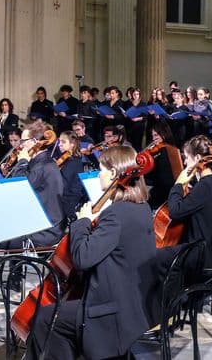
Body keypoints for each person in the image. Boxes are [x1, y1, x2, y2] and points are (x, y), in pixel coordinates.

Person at [26, 146, 158, 360]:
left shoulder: (115, 214)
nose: (98, 174)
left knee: (43, 317)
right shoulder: (142, 207)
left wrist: (82, 222)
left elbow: (82, 259)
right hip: (132, 305)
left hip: (108, 313)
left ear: (114, 174)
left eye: (101, 169)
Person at [166, 135, 212, 269]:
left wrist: (179, 183)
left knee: (157, 258)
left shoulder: (204, 187)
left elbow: (174, 211)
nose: (184, 163)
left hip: (206, 256)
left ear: (197, 158)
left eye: (186, 157)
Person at [6, 121, 65, 247]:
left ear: (34, 141)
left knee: (0, 240)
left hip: (45, 230)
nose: (20, 146)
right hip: (43, 223)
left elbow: (19, 186)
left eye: (23, 141)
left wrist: (22, 161)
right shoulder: (42, 161)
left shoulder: (42, 165)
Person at [144, 121, 182, 210]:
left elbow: (157, 176)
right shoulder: (172, 148)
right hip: (165, 189)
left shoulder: (163, 151)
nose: (153, 138)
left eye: (156, 135)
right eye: (153, 136)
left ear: (164, 134)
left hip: (162, 191)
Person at [57, 131, 86, 220]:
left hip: (66, 203)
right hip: (64, 199)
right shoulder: (67, 158)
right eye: (59, 141)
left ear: (72, 144)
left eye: (63, 142)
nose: (59, 145)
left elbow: (63, 186)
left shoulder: (73, 162)